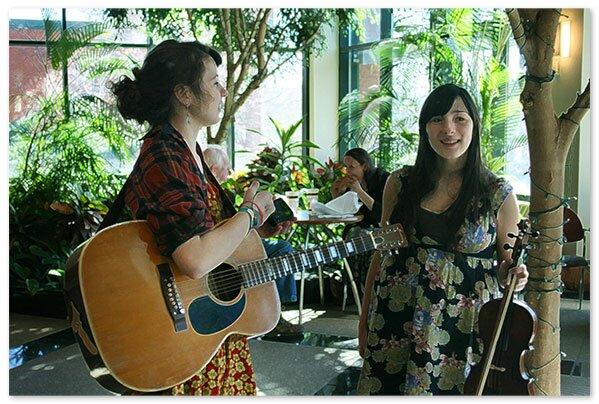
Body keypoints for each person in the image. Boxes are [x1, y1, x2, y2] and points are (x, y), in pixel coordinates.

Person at [111, 39, 276, 396]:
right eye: (214, 81)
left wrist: (252, 222)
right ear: (184, 94)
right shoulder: (165, 152)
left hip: (205, 333)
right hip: (175, 333)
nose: (223, 90)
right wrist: (251, 214)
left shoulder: (191, 152)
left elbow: (209, 237)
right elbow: (195, 259)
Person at [356, 84, 529, 395]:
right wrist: (363, 320)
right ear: (425, 127)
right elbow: (381, 257)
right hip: (397, 321)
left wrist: (515, 276)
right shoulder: (400, 182)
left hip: (460, 330)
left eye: (459, 118)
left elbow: (507, 264)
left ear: (475, 125)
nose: (448, 129)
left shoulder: (497, 193)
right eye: (437, 118)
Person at [203, 145, 304, 337]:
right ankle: (276, 313)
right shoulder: (211, 194)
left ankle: (272, 311)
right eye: (226, 169)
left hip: (227, 249)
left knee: (282, 247)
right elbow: (223, 234)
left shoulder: (217, 193)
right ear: (215, 170)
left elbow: (233, 231)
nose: (229, 174)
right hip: (217, 257)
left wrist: (260, 230)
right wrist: (251, 212)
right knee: (283, 248)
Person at [330, 148, 390, 298]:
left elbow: (382, 213)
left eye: (351, 167)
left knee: (360, 237)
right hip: (358, 228)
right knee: (356, 235)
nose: (348, 171)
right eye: (346, 167)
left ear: (364, 166)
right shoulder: (352, 184)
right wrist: (336, 194)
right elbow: (344, 212)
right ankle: (353, 288)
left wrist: (360, 192)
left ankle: (362, 289)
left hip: (382, 228)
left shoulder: (384, 180)